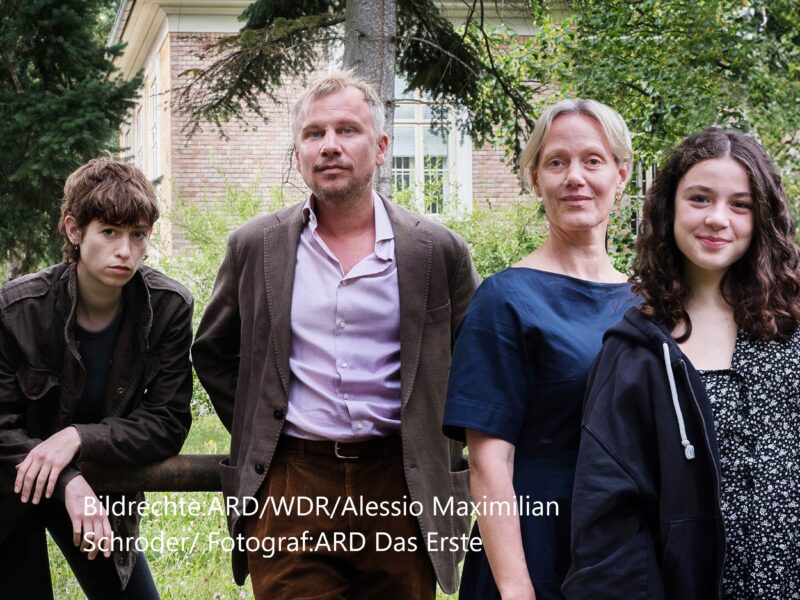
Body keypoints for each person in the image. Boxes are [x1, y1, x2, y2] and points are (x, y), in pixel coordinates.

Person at [192, 71, 479, 599]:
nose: (330, 146)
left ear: (381, 146)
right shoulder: (255, 246)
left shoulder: (437, 251)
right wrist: (266, 422)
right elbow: (213, 351)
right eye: (313, 133)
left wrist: (432, 437)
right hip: (292, 484)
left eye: (347, 130)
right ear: (298, 152)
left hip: (403, 486)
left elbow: (474, 365)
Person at [564, 128, 800, 599]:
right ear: (669, 207)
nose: (718, 219)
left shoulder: (791, 330)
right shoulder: (637, 350)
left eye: (740, 204)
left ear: (763, 217)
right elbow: (610, 523)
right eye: (699, 198)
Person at [442, 99, 639, 600]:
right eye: (557, 162)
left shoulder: (648, 302)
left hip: (625, 550)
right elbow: (489, 464)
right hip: (535, 547)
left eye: (592, 161)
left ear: (621, 175)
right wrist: (514, 586)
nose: (576, 177)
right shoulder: (505, 300)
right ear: (536, 180)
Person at [0, 158, 193, 598]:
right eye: (109, 232)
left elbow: (167, 422)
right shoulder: (16, 310)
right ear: (74, 230)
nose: (125, 250)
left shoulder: (167, 308)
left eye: (138, 235)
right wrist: (67, 478)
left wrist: (78, 438)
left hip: (101, 487)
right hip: (10, 491)